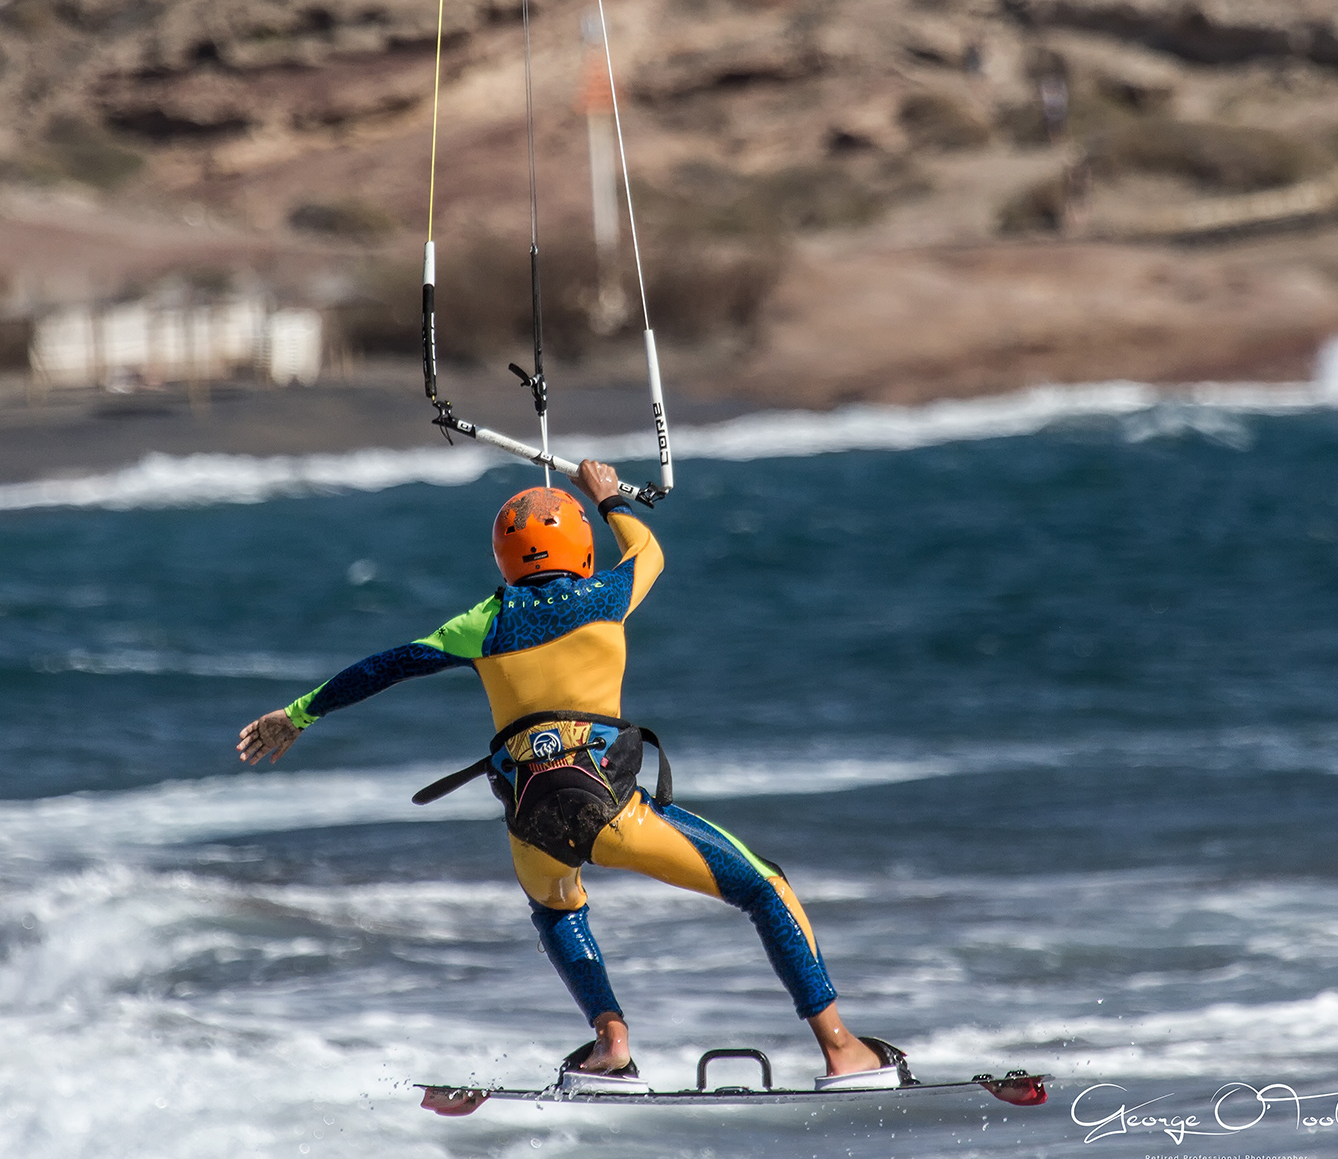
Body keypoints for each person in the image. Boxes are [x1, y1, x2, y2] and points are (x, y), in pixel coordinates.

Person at [237, 460, 906, 1091]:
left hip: (531, 821)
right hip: (612, 812)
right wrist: (607, 493)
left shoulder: (483, 622)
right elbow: (651, 553)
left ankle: (611, 1042)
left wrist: (298, 714)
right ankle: (841, 1047)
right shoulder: (608, 593)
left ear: (504, 556)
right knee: (764, 888)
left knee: (557, 909)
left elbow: (382, 666)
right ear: (580, 550)